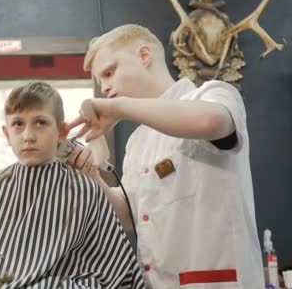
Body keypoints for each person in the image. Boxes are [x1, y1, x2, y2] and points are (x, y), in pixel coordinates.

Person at [66, 24, 264, 288]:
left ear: (144, 55)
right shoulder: (136, 143)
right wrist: (93, 177)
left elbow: (213, 122)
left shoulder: (210, 95)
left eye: (110, 73)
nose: (106, 88)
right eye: (101, 82)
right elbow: (127, 216)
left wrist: (120, 107)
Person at [0, 82, 145, 289]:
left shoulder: (82, 188)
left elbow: (113, 267)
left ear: (62, 132)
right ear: (6, 132)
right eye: (18, 124)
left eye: (41, 123)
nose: (28, 135)